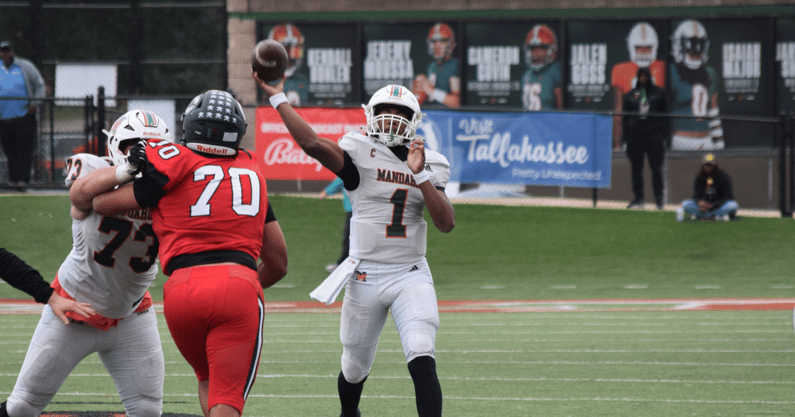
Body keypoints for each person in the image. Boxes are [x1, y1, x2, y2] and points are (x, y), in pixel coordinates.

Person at [255, 71, 455, 417]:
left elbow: (446, 223)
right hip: (365, 274)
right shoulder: (358, 150)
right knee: (354, 366)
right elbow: (313, 145)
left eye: (401, 113)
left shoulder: (431, 161)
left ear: (414, 121)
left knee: (422, 353)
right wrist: (278, 97)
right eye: (385, 110)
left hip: (410, 273)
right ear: (370, 115)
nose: (392, 119)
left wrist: (419, 175)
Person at [87, 90, 289, 417]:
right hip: (236, 283)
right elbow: (278, 262)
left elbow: (100, 203)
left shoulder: (173, 163)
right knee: (227, 399)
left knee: (207, 379)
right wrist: (238, 289)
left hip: (180, 293)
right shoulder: (251, 170)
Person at [1, 109, 171, 417]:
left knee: (147, 410)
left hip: (133, 314)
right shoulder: (95, 169)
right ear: (117, 146)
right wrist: (129, 169)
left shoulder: (172, 187)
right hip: (73, 310)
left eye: (153, 146)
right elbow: (80, 197)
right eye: (135, 145)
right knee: (23, 406)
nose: (145, 152)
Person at [669, 19, 724, 150]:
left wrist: (719, 142)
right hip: (681, 139)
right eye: (691, 46)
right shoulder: (671, 72)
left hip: (707, 140)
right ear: (679, 45)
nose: (696, 51)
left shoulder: (710, 73)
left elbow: (713, 112)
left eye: (700, 45)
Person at [611, 22, 666, 150]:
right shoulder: (620, 70)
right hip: (633, 129)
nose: (643, 52)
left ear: (654, 47)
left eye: (647, 48)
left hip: (654, 130)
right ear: (631, 47)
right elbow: (618, 111)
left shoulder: (662, 67)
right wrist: (617, 144)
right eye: (639, 48)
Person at [0, 40, 46, 192]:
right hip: (4, 118)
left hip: (24, 116)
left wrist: (34, 104)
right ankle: (13, 179)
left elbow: (39, 86)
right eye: (3, 51)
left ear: (12, 52)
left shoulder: (25, 66)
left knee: (24, 149)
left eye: (8, 50)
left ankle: (23, 180)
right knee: (9, 149)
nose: (5, 54)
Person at [622, 67, 669, 210]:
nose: (642, 78)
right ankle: (639, 199)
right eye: (640, 76)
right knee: (636, 170)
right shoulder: (631, 95)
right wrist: (627, 136)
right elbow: (625, 117)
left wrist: (663, 135)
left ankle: (659, 200)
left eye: (645, 75)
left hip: (654, 137)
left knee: (656, 169)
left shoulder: (658, 93)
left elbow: (666, 116)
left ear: (649, 76)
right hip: (636, 138)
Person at [676, 153, 739, 221]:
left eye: (710, 165)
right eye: (706, 165)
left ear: (715, 165)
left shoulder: (724, 177)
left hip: (717, 207)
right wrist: (700, 202)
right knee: (685, 203)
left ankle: (706, 216)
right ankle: (714, 217)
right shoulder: (699, 177)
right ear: (702, 165)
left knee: (733, 205)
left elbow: (728, 197)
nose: (708, 167)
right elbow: (696, 195)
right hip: (703, 208)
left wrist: (712, 205)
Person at [412, 22, 461, 108]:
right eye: (434, 41)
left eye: (442, 41)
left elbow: (456, 102)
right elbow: (431, 96)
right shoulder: (432, 66)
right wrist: (420, 90)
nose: (437, 45)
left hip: (449, 116)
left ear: (451, 44)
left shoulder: (454, 65)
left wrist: (431, 91)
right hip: (434, 114)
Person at [521, 24, 563, 111]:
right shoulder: (527, 74)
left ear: (551, 49)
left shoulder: (555, 70)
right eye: (533, 48)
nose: (536, 52)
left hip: (547, 122)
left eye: (541, 48)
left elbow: (561, 108)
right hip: (528, 121)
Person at [269, 23, 308, 107]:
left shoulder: (301, 79)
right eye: (285, 50)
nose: (289, 57)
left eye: (294, 50)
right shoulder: (267, 79)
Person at [320, 176, 352, 273]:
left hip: (355, 209)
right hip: (360, 208)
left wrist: (327, 191)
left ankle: (343, 265)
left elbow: (341, 179)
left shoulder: (354, 165)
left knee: (349, 237)